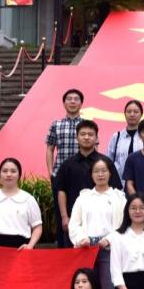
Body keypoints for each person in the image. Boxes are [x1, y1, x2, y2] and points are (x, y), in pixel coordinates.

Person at [70, 156, 128, 289]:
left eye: (104, 170)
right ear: (91, 174)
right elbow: (74, 223)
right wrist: (81, 238)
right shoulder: (83, 197)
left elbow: (124, 224)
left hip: (108, 248)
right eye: (96, 171)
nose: (100, 174)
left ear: (110, 173)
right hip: (86, 247)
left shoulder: (119, 198)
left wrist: (109, 239)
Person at [56, 120, 118, 247]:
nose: (86, 137)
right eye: (83, 134)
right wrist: (64, 217)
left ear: (96, 138)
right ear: (77, 137)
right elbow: (61, 190)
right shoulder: (68, 164)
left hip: (103, 225)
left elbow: (116, 190)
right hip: (75, 222)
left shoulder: (105, 163)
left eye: (90, 134)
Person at [47, 89, 85, 238]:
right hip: (60, 174)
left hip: (82, 174)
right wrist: (51, 171)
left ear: (81, 103)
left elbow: (95, 148)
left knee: (82, 211)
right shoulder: (56, 124)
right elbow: (50, 149)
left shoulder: (87, 125)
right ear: (64, 103)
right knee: (61, 214)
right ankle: (62, 246)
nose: (72, 101)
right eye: (69, 99)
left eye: (76, 99)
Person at [106, 100, 144, 176]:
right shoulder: (116, 137)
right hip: (119, 181)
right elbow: (108, 161)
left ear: (141, 114)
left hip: (141, 180)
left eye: (136, 112)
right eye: (129, 111)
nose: (132, 114)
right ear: (124, 114)